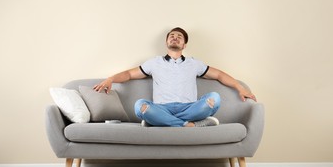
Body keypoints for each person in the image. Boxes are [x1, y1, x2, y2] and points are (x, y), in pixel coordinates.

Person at [93, 27, 256, 127]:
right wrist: (110, 79)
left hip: (189, 108)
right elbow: (129, 74)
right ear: (166, 42)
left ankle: (161, 122)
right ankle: (188, 126)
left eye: (179, 37)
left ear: (184, 45)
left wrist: (239, 88)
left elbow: (219, 74)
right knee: (140, 106)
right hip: (162, 107)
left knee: (215, 98)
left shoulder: (194, 64)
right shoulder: (154, 63)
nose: (175, 37)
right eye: (172, 35)